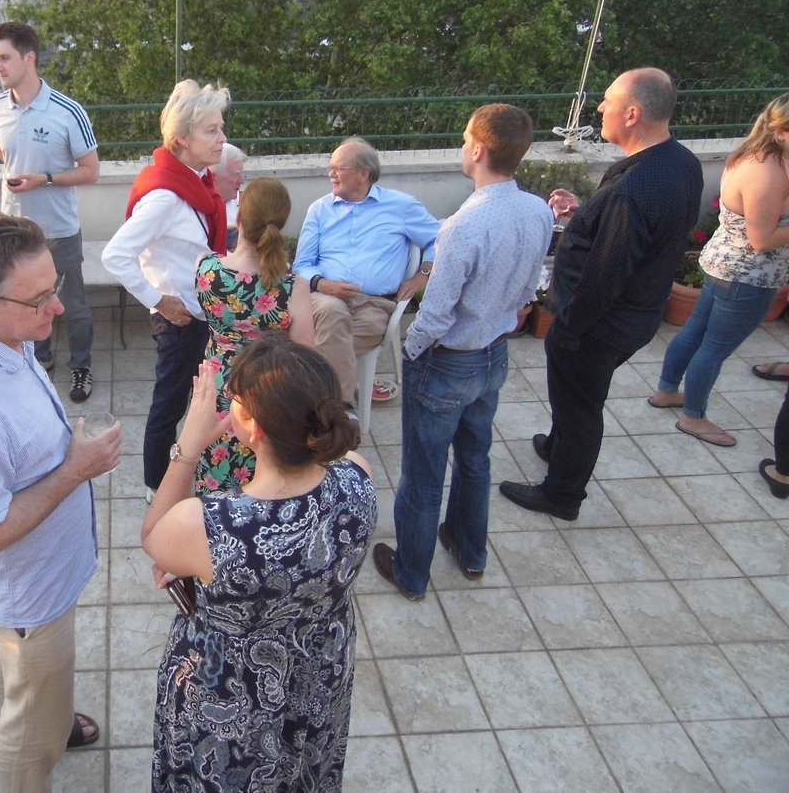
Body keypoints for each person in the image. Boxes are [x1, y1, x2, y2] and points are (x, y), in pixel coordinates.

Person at [0, 213, 121, 793]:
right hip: (27, 600)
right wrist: (74, 471)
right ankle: (38, 741)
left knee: (26, 681)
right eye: (39, 300)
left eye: (53, 288)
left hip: (34, 591)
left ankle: (48, 719)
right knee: (25, 736)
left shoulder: (2, 336)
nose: (57, 309)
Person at [142, 337, 375, 790]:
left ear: (254, 427)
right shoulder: (358, 476)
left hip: (228, 686)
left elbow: (154, 538)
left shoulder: (209, 524)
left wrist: (188, 448)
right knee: (303, 768)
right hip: (318, 669)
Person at [500, 68, 704, 521]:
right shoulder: (678, 161)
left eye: (607, 100)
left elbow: (605, 276)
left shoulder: (632, 191)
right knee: (573, 401)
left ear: (632, 114)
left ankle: (561, 495)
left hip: (597, 326)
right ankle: (557, 448)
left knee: (580, 408)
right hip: (637, 315)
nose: (599, 108)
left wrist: (568, 328)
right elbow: (644, 233)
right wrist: (589, 210)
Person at [373, 104, 551, 599]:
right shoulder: (537, 210)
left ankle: (412, 572)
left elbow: (437, 312)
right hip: (494, 355)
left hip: (449, 362)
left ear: (479, 149)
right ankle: (470, 551)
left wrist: (409, 350)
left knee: (423, 474)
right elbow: (532, 284)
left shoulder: (462, 226)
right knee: (475, 459)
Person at [102, 79, 229, 496]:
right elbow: (116, 255)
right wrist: (159, 301)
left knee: (195, 401)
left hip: (200, 314)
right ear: (181, 139)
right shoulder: (166, 197)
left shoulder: (194, 180)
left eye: (221, 126)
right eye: (211, 130)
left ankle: (187, 471)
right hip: (182, 321)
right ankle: (155, 488)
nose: (222, 137)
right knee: (169, 406)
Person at [648, 94, 789, 445]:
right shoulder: (767, 172)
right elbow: (762, 238)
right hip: (747, 276)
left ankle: (667, 392)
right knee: (714, 347)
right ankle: (693, 418)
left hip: (724, 264)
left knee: (696, 332)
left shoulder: (754, 155)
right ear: (783, 132)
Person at [0, 22, 101, 403]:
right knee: (25, 302)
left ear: (29, 58)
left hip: (60, 230)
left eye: (4, 58)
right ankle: (42, 359)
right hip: (15, 231)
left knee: (73, 304)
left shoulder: (68, 111)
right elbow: (1, 151)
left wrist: (45, 179)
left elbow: (91, 170)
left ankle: (81, 366)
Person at [292, 136, 440, 410]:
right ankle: (342, 412)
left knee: (312, 349)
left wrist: (423, 273)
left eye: (339, 168)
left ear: (364, 174)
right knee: (333, 314)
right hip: (322, 302)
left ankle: (314, 404)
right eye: (331, 167)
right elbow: (301, 265)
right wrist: (324, 285)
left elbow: (440, 238)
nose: (330, 174)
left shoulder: (401, 207)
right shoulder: (320, 210)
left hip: (374, 305)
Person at [194, 177, 314, 494]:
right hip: (264, 397)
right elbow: (305, 357)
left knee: (214, 481)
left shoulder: (206, 269)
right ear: (282, 223)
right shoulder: (292, 288)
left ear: (238, 218)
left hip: (216, 391)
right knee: (262, 483)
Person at [214, 142, 245, 250]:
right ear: (215, 176)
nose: (242, 180)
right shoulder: (196, 208)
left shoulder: (245, 204)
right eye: (236, 174)